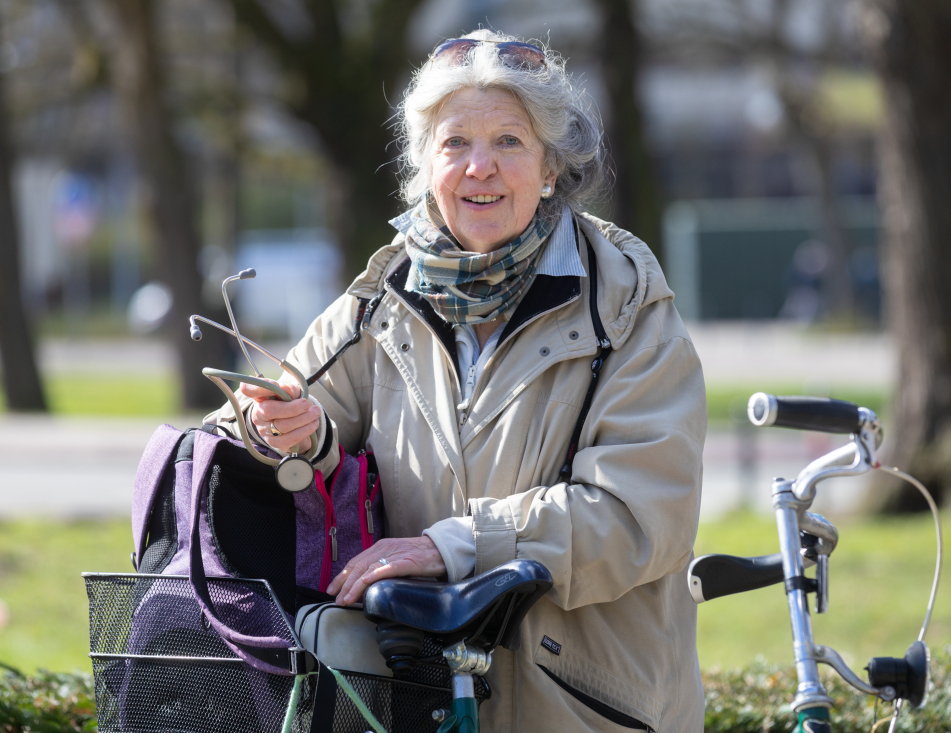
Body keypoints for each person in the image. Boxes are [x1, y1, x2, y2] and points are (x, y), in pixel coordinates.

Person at [207, 29, 706, 732]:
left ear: (551, 166)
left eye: (508, 141)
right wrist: (296, 433)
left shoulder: (625, 303)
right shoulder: (385, 292)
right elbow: (279, 414)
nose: (480, 168)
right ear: (424, 165)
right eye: (454, 144)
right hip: (413, 694)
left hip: (583, 707)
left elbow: (638, 514)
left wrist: (456, 545)